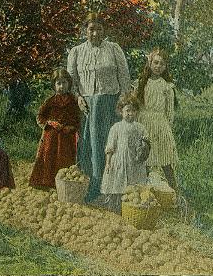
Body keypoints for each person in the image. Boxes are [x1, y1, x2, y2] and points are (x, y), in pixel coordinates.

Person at [67, 13, 131, 203]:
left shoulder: (113, 49)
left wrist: (122, 101)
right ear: (84, 30)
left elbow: (124, 75)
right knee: (90, 144)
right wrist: (78, 97)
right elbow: (71, 80)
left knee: (110, 144)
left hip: (110, 103)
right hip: (87, 105)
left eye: (99, 29)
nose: (95, 33)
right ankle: (92, 184)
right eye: (91, 29)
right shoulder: (77, 52)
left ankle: (111, 186)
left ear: (105, 31)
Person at [135, 48, 179, 190]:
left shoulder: (166, 87)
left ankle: (174, 193)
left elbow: (169, 112)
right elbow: (135, 106)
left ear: (165, 67)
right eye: (155, 62)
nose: (158, 66)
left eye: (162, 64)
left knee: (165, 160)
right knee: (144, 160)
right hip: (144, 124)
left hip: (160, 125)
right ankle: (145, 194)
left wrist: (166, 128)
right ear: (150, 63)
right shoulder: (141, 83)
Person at [29, 69, 81, 188]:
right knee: (49, 155)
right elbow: (40, 116)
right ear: (54, 85)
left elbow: (77, 118)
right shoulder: (50, 101)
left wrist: (72, 127)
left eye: (64, 83)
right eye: (58, 83)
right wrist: (50, 123)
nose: (61, 86)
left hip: (67, 136)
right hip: (51, 136)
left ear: (69, 84)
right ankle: (48, 181)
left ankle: (64, 181)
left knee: (64, 158)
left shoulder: (73, 101)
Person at [101, 93, 150, 213]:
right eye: (127, 110)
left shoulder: (140, 127)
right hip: (119, 160)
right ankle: (115, 207)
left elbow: (146, 144)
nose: (130, 113)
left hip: (134, 161)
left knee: (134, 186)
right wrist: (108, 163)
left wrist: (145, 148)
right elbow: (110, 147)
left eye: (133, 111)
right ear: (121, 111)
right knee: (117, 183)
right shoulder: (116, 127)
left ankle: (131, 209)